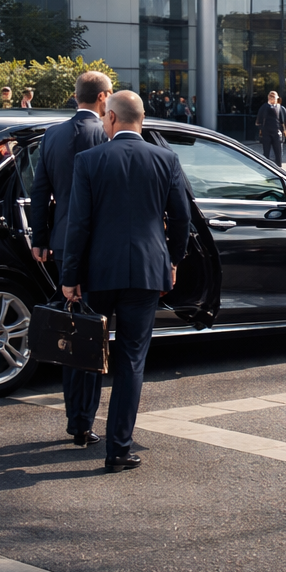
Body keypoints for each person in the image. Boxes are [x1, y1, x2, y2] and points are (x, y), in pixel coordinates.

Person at [60, 91, 191, 473]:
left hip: (99, 270)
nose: (103, 122)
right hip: (147, 271)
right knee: (132, 359)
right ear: (142, 119)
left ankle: (81, 425)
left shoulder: (89, 160)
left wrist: (70, 277)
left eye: (104, 118)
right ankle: (118, 449)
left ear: (113, 118)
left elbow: (78, 225)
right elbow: (181, 218)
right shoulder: (166, 159)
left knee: (88, 349)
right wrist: (173, 260)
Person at [29, 70, 113, 446]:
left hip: (62, 244)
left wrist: (40, 238)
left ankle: (74, 417)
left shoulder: (52, 135)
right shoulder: (106, 134)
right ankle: (84, 421)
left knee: (72, 329)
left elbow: (40, 191)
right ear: (103, 97)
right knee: (94, 332)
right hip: (98, 246)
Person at [254, 90, 286, 165]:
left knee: (278, 152)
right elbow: (258, 121)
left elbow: (285, 120)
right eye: (271, 97)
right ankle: (266, 166)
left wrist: (284, 130)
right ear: (268, 98)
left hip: (277, 132)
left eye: (274, 97)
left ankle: (278, 166)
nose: (272, 99)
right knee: (266, 153)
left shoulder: (280, 108)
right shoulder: (264, 107)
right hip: (266, 133)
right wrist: (261, 129)